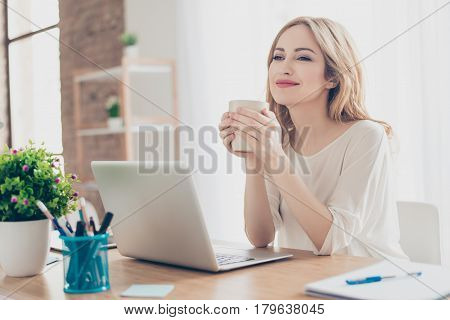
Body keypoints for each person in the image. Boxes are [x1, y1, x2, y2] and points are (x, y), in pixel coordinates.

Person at [218, 16, 408, 260]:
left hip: (370, 283)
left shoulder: (366, 136)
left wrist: (274, 157)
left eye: (303, 57)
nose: (284, 67)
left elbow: (331, 240)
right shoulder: (279, 140)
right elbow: (260, 237)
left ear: (333, 77)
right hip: (306, 279)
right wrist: (254, 158)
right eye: (278, 56)